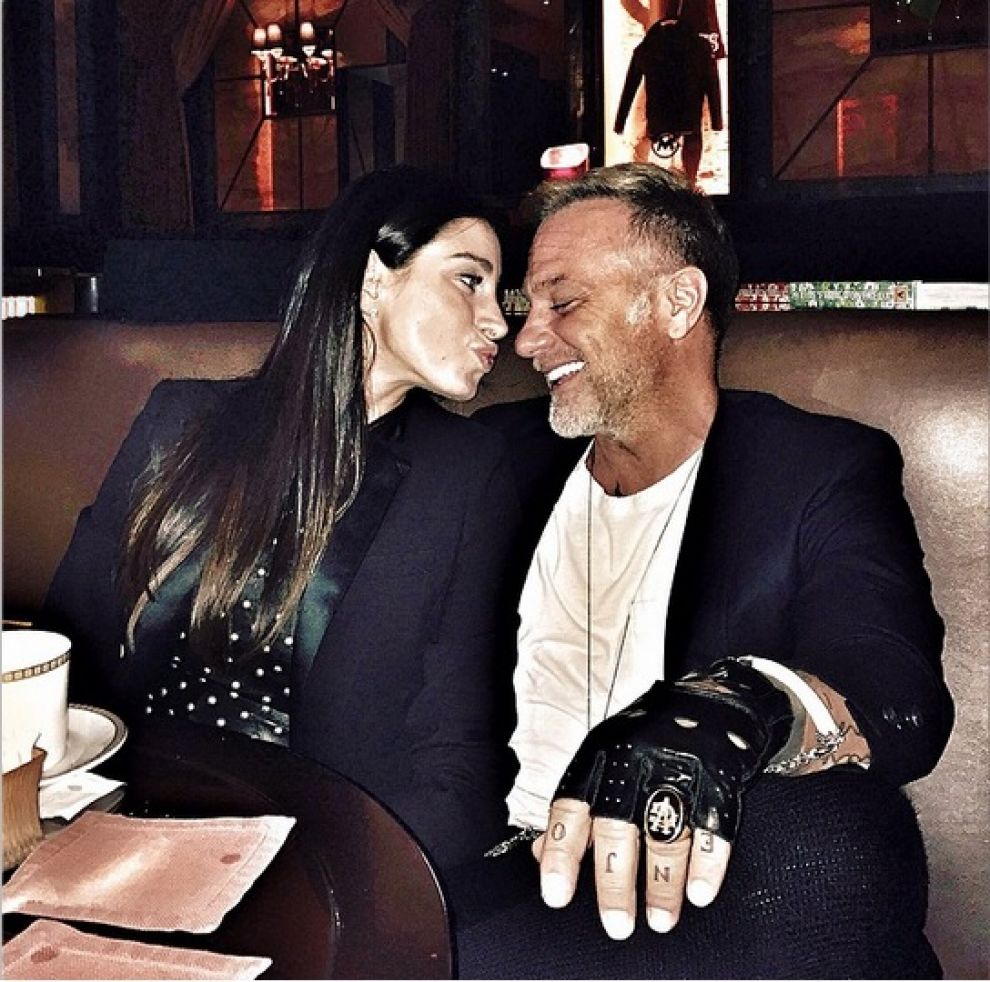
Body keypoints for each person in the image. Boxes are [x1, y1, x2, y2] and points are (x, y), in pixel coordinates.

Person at [453, 162, 953, 978]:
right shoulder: (489, 458)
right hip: (511, 883)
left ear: (678, 302)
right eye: (526, 308)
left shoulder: (813, 470)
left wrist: (736, 705)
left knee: (836, 841)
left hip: (700, 880)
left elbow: (896, 690)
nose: (528, 340)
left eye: (563, 303)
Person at [43, 165, 520, 873]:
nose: (498, 321)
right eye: (469, 280)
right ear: (373, 281)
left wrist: (354, 887)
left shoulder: (466, 473)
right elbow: (65, 652)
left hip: (311, 853)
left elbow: (460, 758)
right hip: (119, 833)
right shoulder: (180, 422)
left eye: (498, 292)